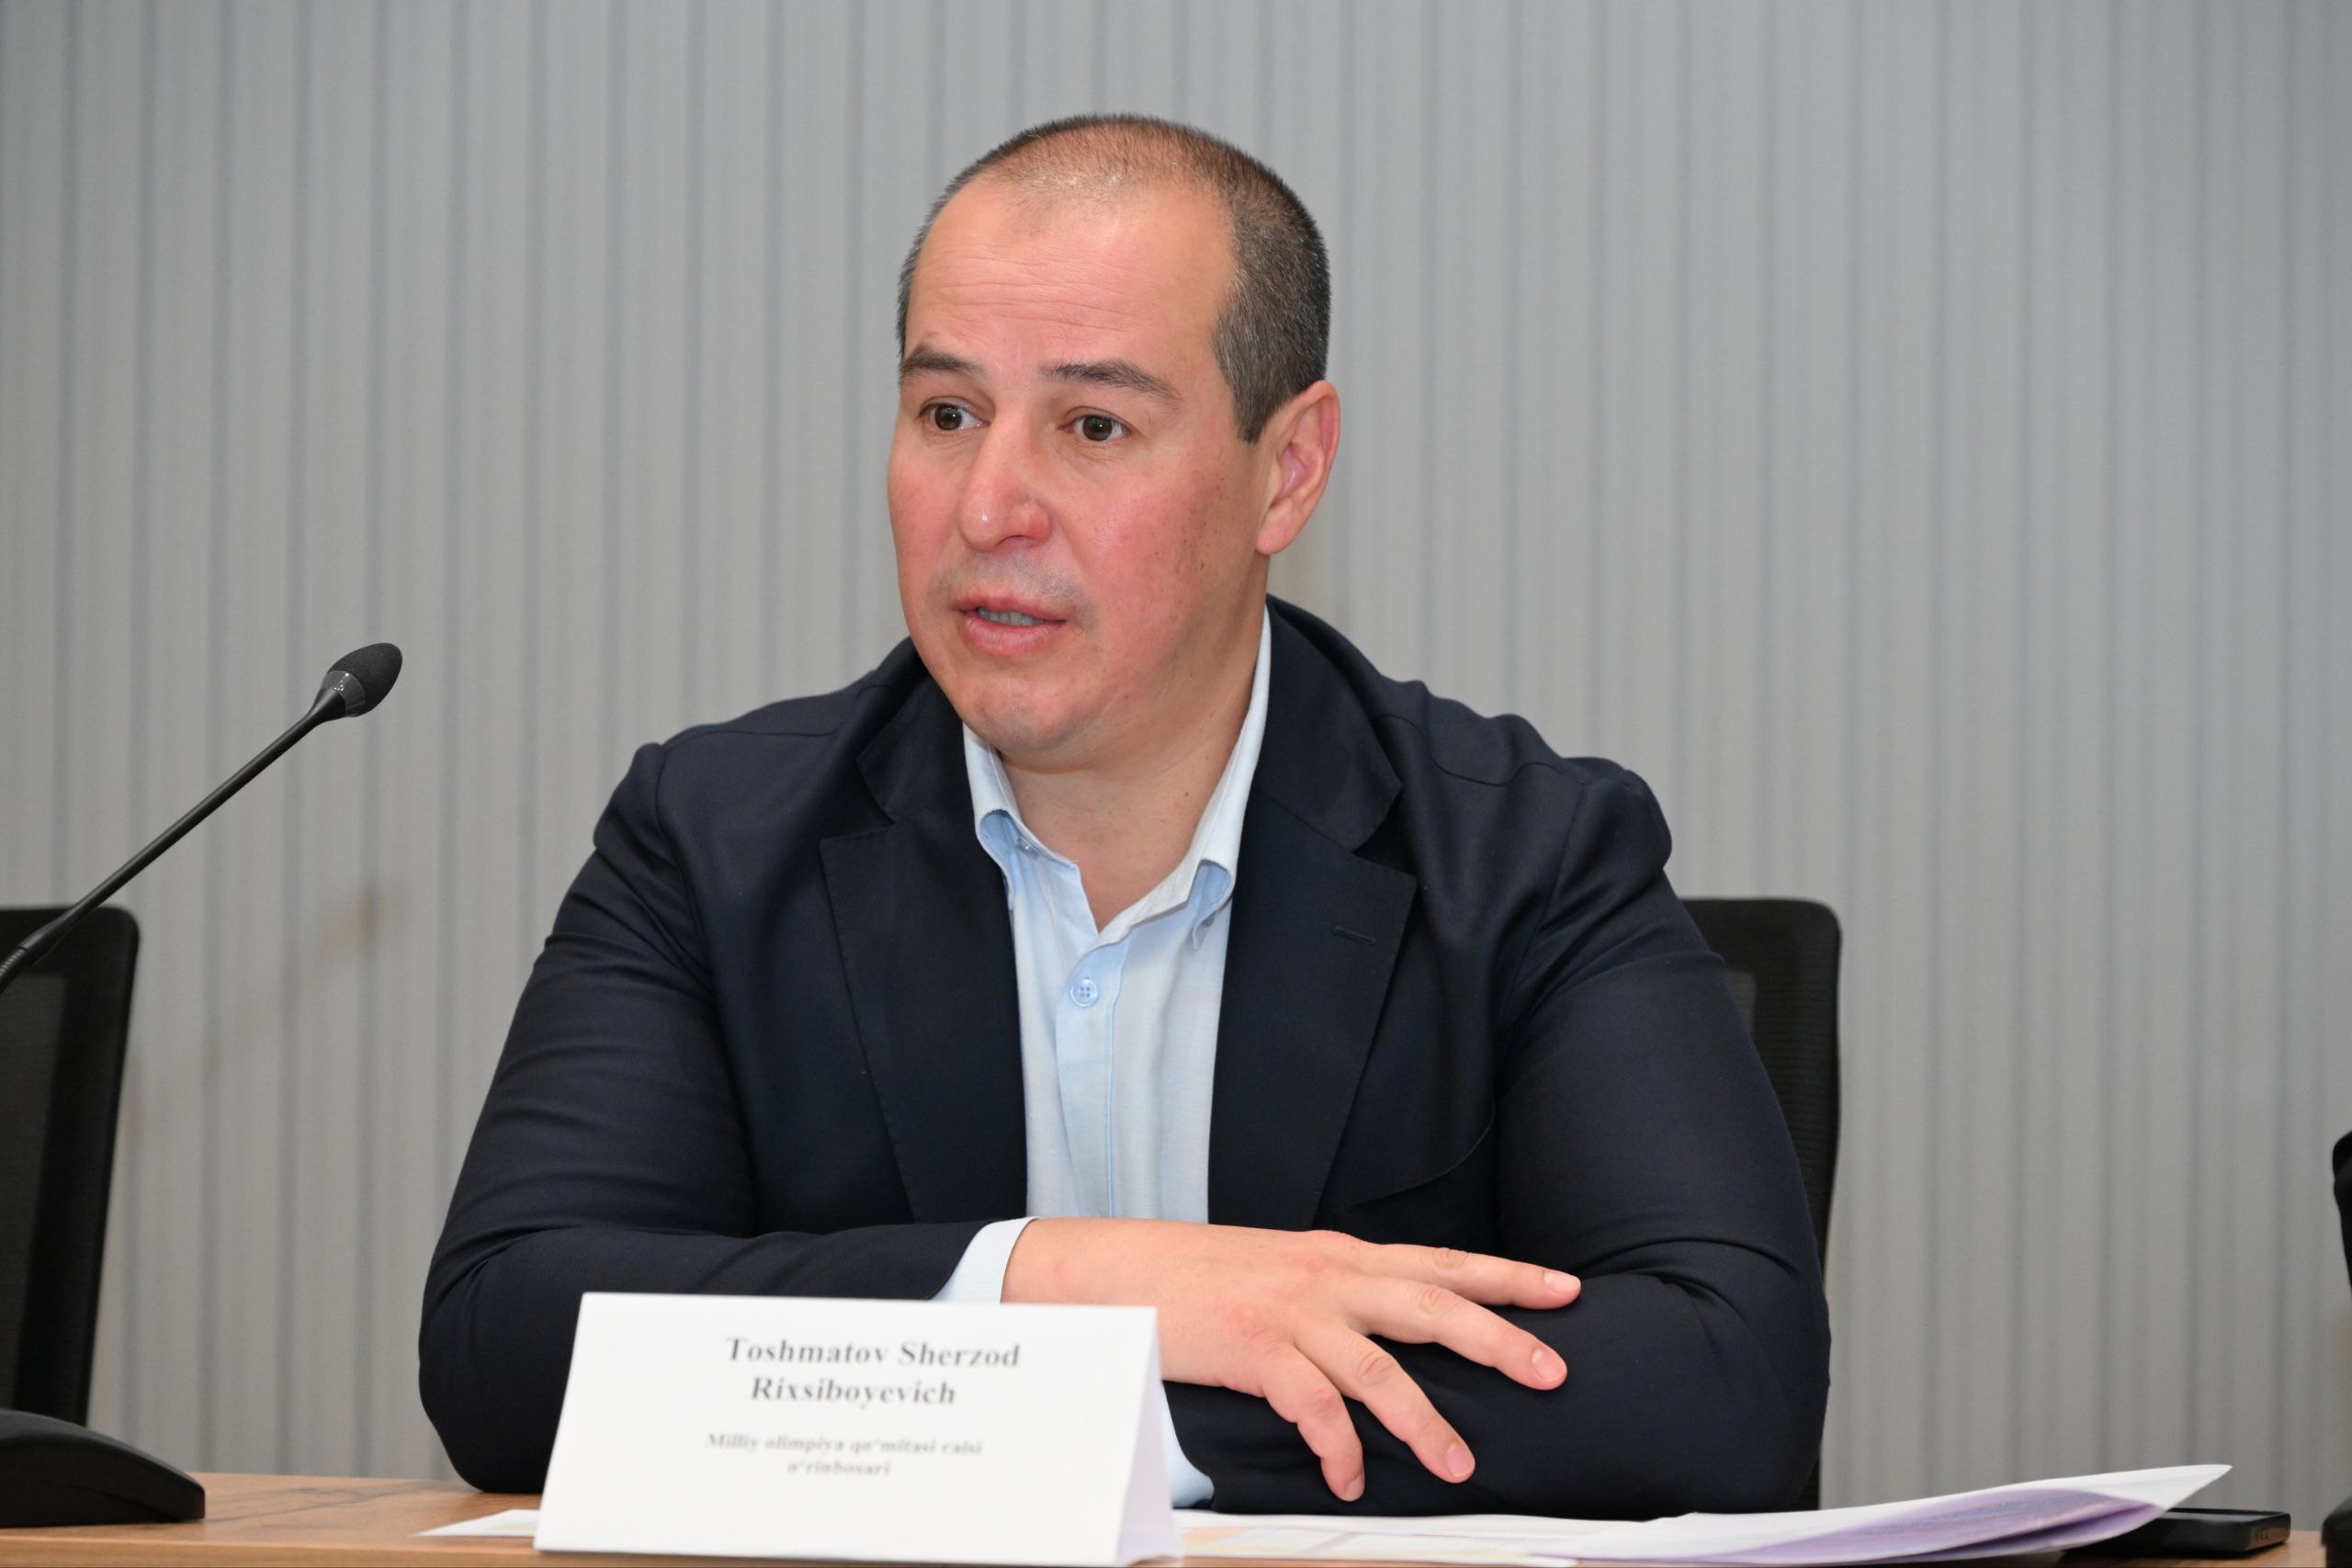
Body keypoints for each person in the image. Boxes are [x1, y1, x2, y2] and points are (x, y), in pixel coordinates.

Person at [420, 114, 1828, 1518]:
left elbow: (1726, 1386)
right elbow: (505, 1341)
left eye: (1094, 426)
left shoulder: (1527, 858)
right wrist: (1069, 1278)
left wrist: (1078, 1416)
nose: (989, 508)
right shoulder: (713, 841)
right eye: (947, 414)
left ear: (1288, 469)